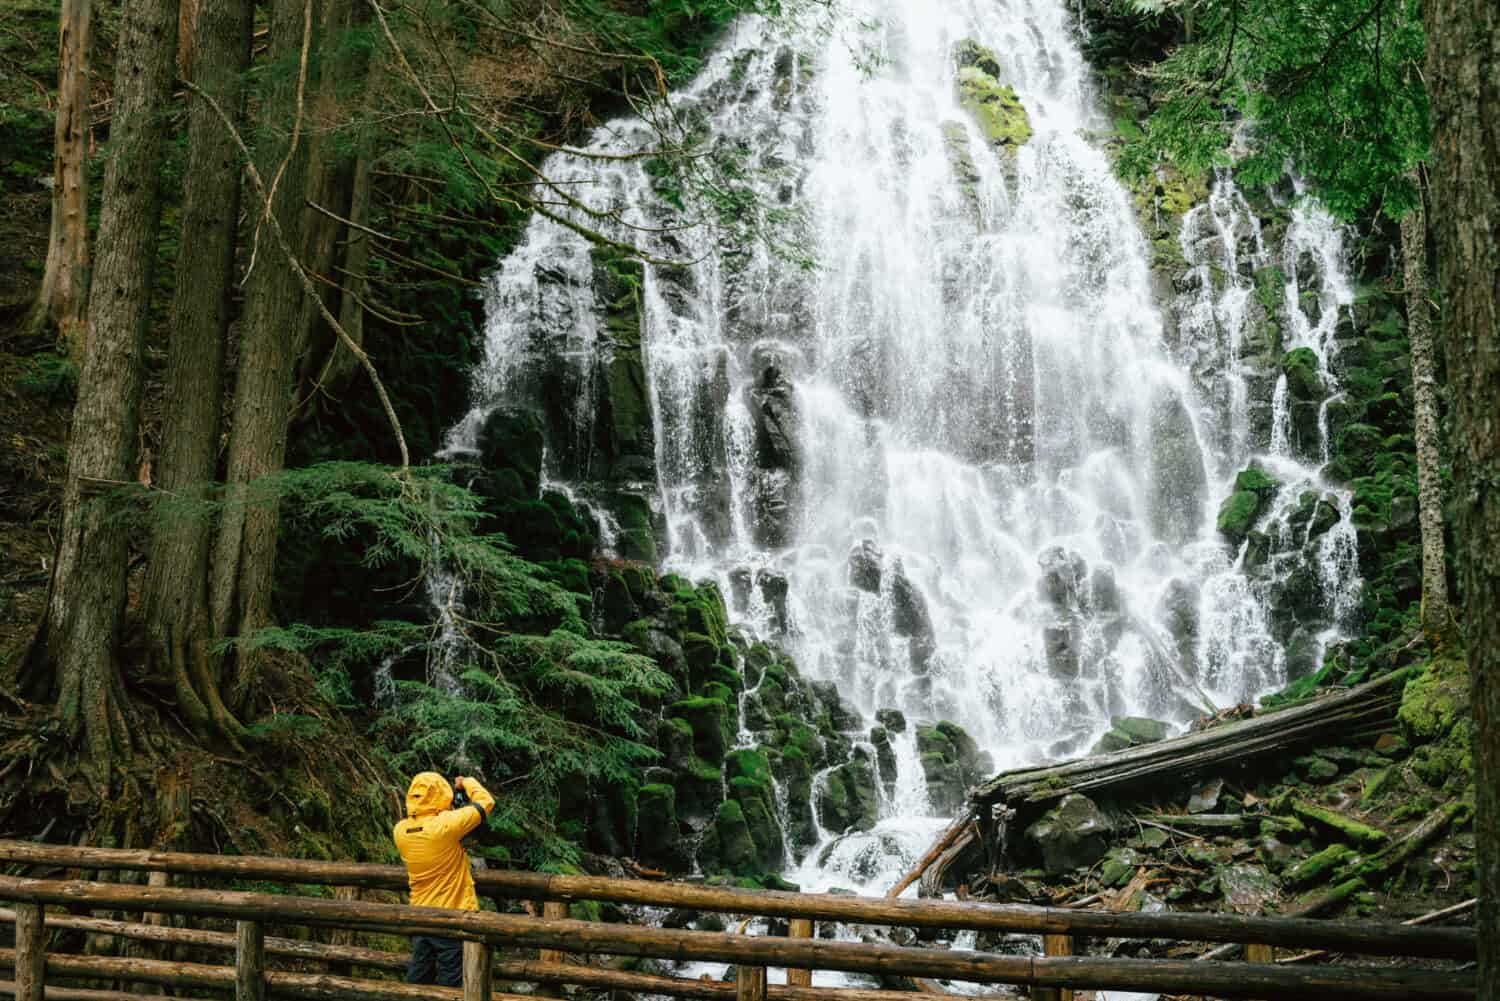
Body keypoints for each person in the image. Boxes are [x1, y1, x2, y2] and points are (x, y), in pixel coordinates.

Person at [393, 772, 495, 987]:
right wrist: (466, 782)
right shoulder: (445, 826)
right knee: (451, 982)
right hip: (450, 916)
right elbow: (486, 802)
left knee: (419, 978)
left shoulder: (400, 830)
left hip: (419, 916)